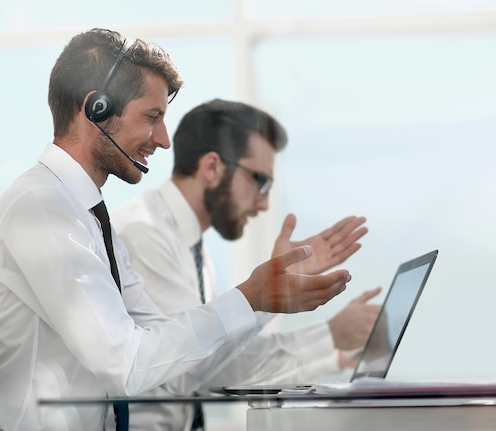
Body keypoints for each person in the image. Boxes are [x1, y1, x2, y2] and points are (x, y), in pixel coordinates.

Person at [0, 29, 353, 431]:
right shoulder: (41, 207)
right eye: (153, 117)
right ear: (96, 108)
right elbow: (125, 366)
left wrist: (261, 299)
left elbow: (167, 348)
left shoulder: (90, 218)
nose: (164, 141)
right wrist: (250, 298)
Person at [111, 99, 382, 431]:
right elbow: (189, 370)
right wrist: (273, 297)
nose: (264, 203)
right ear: (212, 167)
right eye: (260, 180)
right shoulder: (145, 236)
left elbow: (219, 365)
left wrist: (330, 349)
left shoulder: (192, 246)